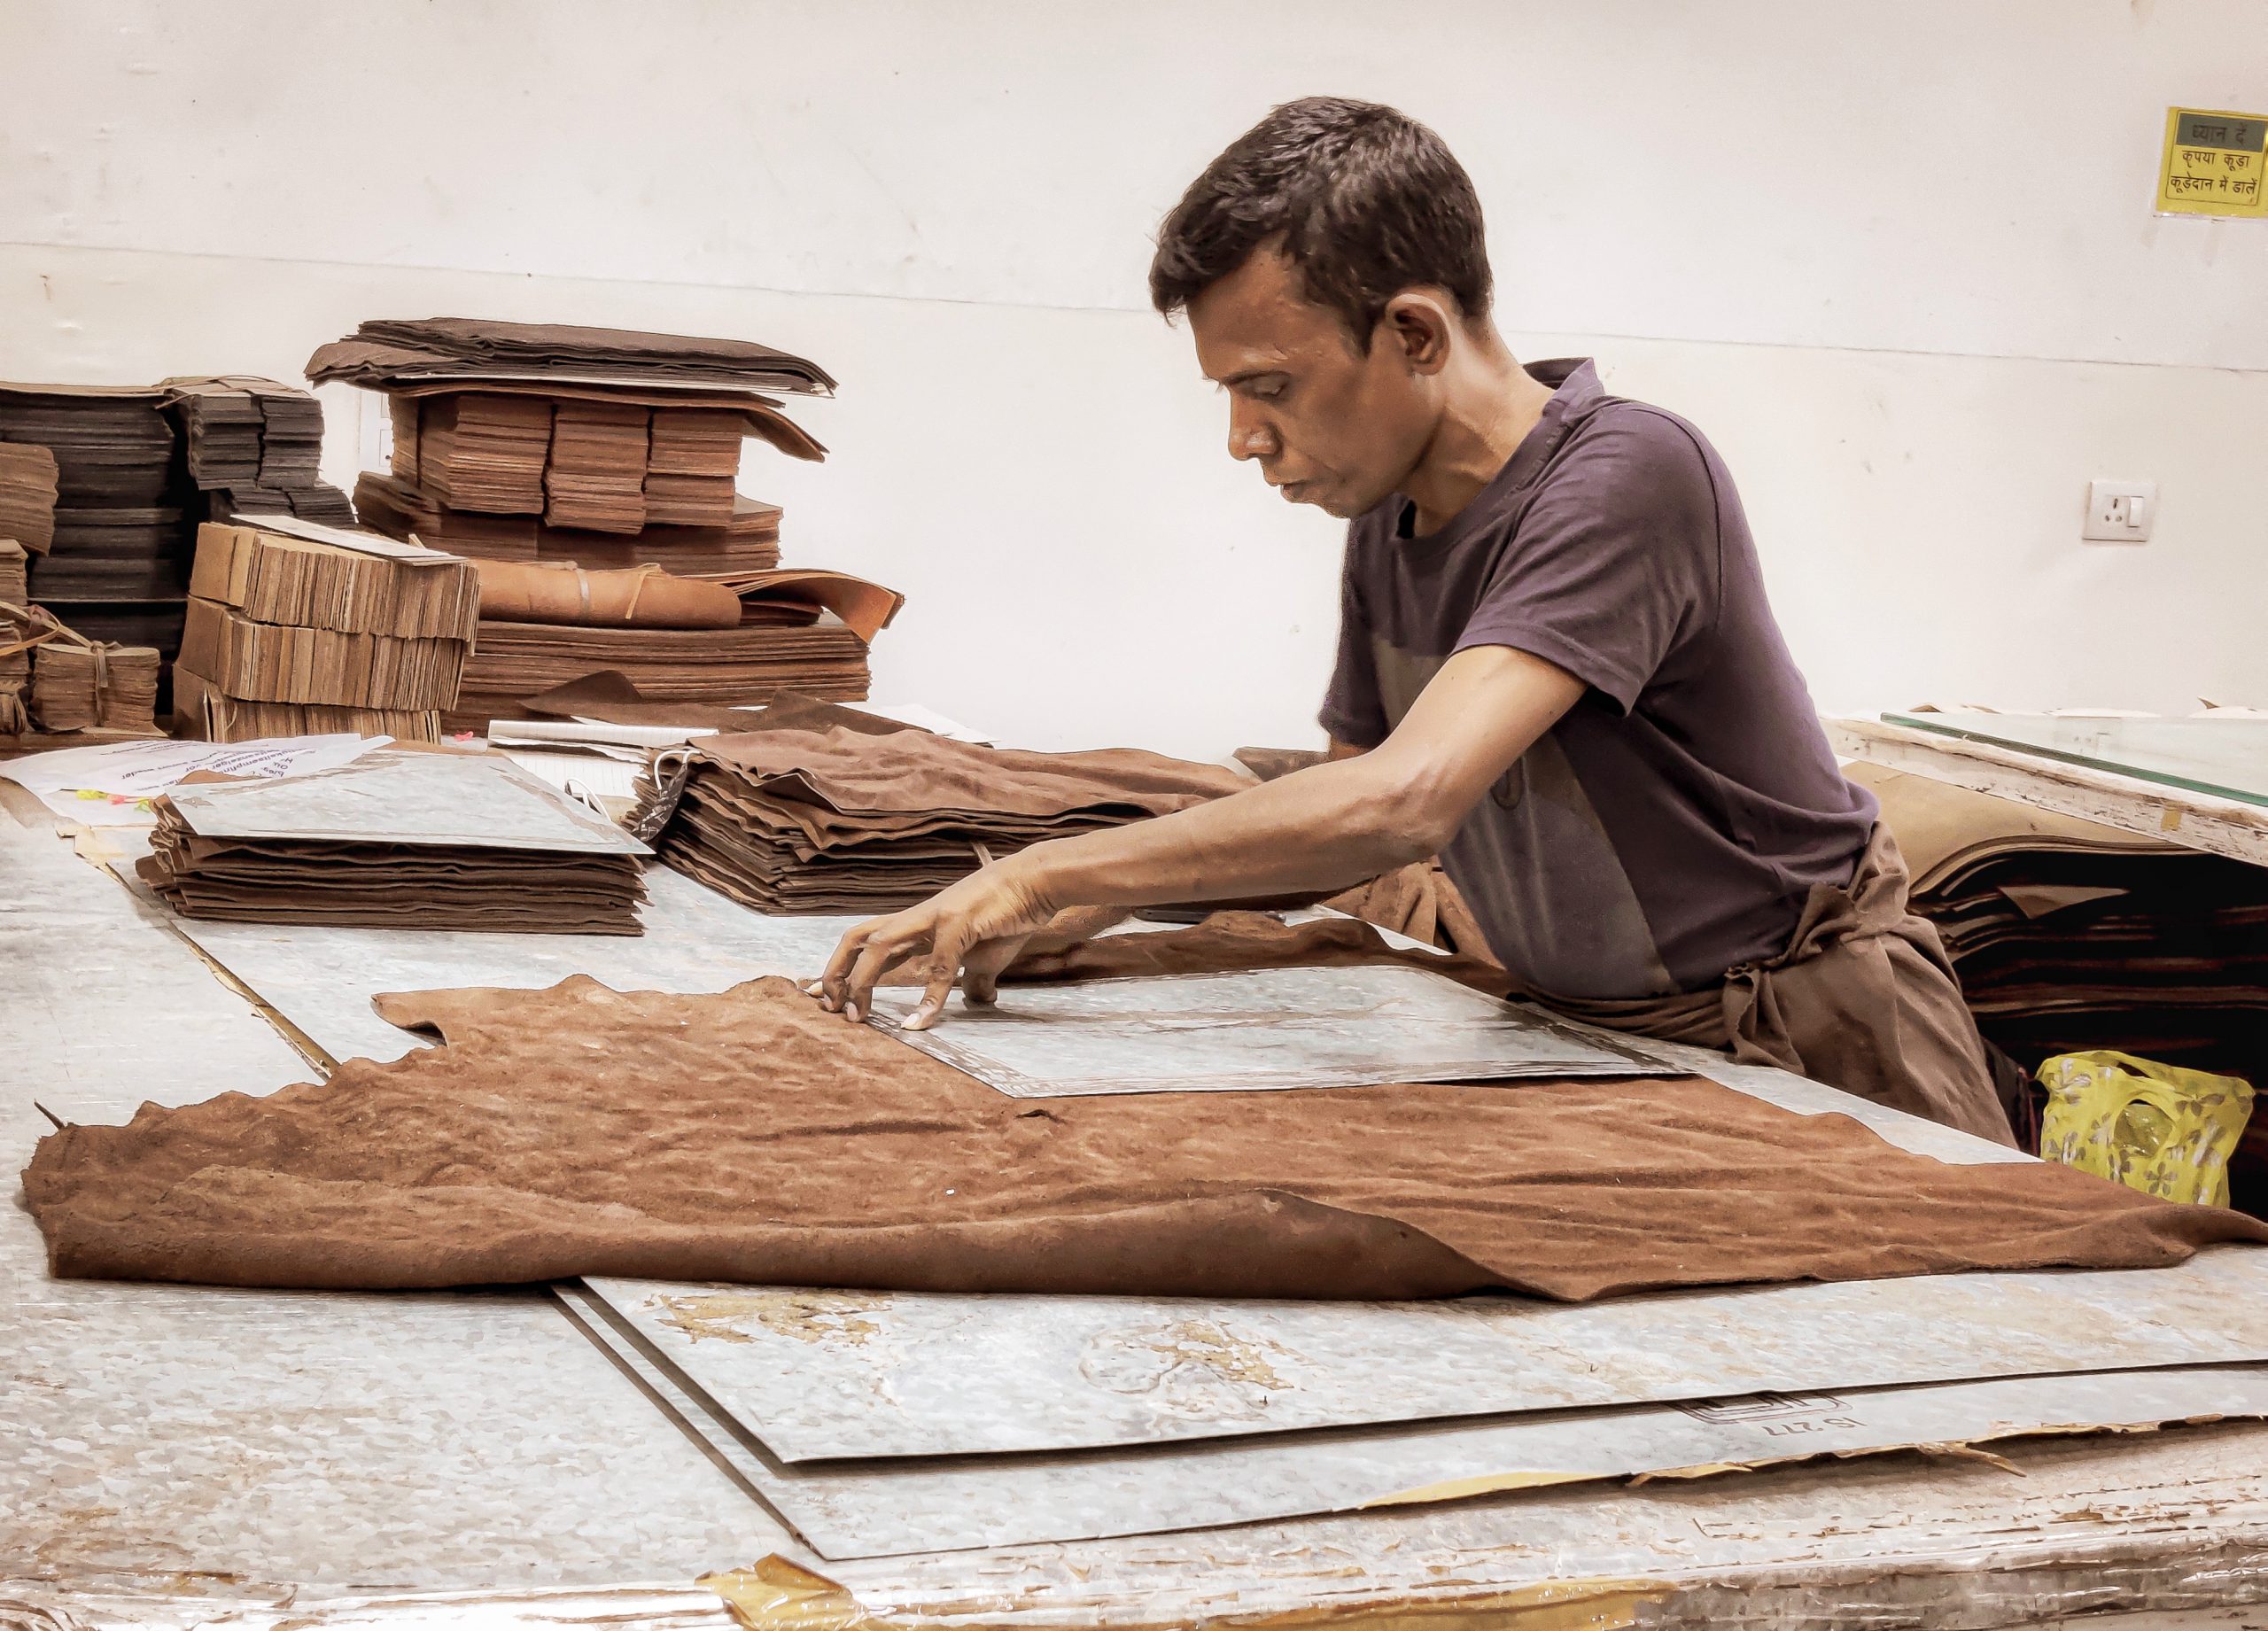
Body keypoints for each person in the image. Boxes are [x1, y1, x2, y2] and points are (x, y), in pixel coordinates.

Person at [814, 96, 2015, 1145]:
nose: (1242, 437)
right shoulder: (1388, 519)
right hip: (1596, 1041)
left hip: (1812, 1041)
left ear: (1414, 333)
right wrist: (1104, 900)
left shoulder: (1630, 474)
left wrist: (1038, 874)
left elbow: (1404, 800)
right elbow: (1340, 823)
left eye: (1267, 386)